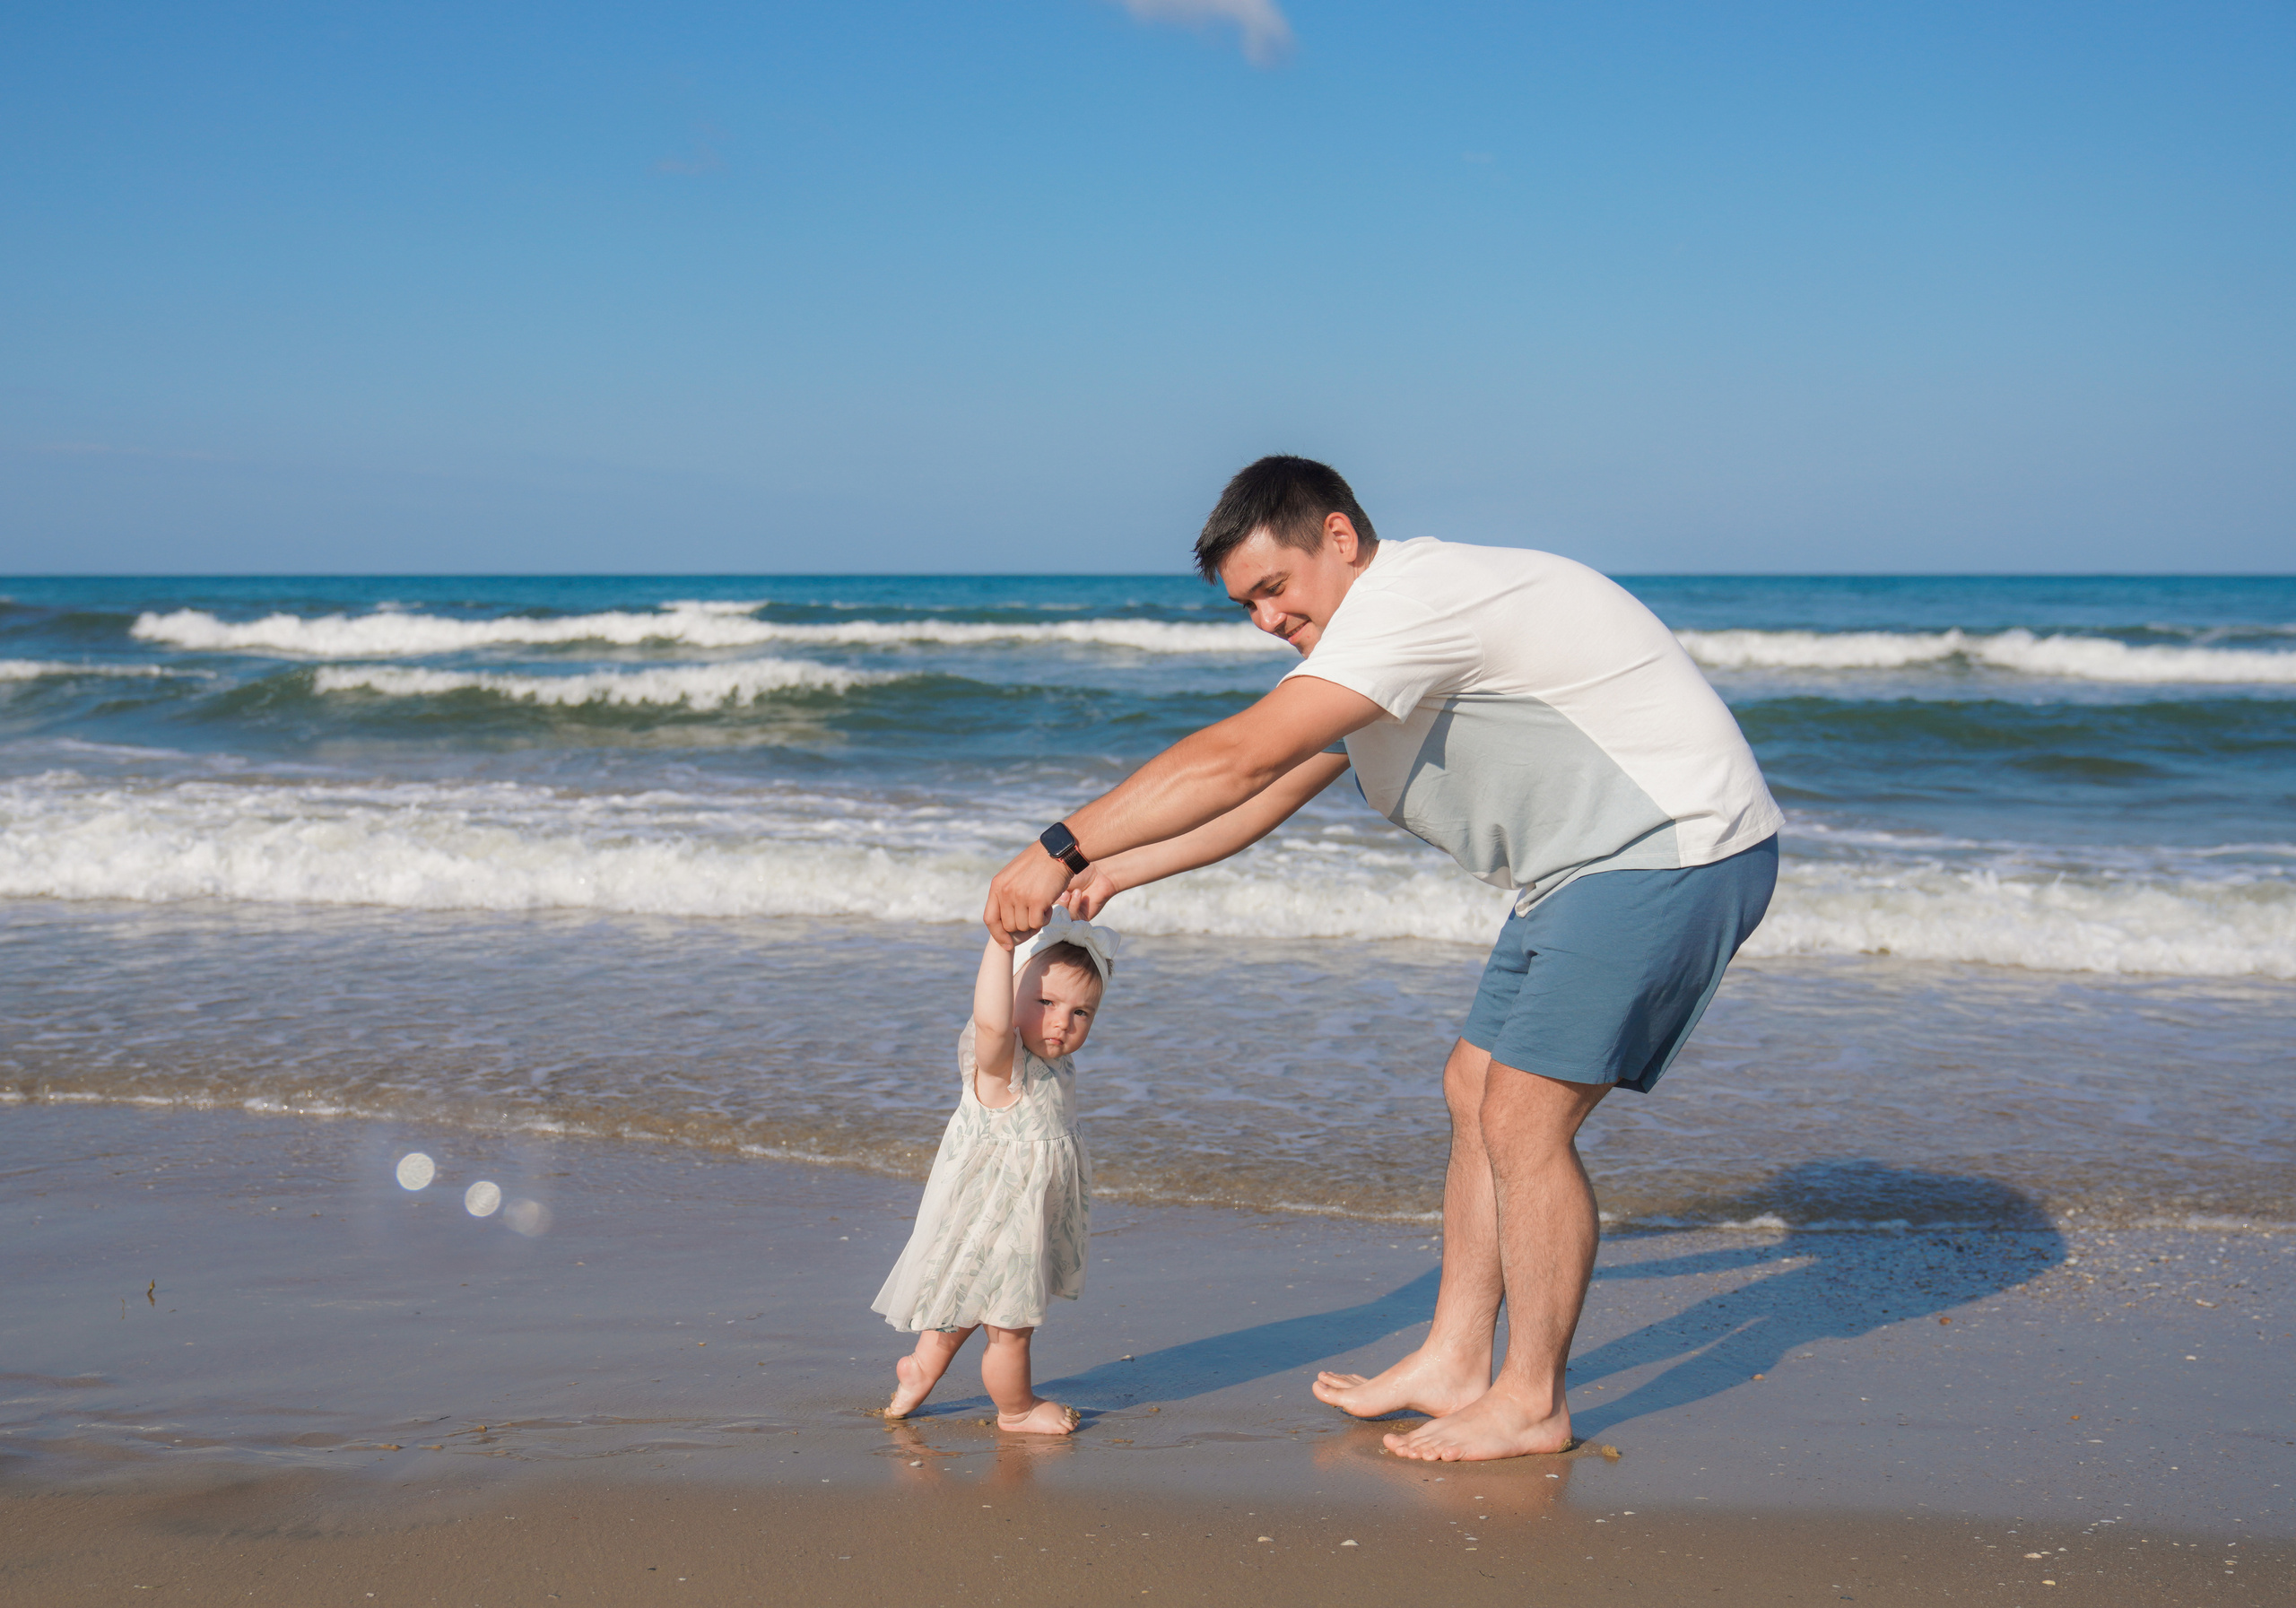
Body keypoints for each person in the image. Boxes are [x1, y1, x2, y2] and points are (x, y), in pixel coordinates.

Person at [986, 455, 1780, 1463]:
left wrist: (1057, 844)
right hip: (1578, 871)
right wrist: (1115, 869)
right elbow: (1262, 798)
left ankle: (1532, 1397)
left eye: (1274, 587)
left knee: (1523, 1115)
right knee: (1474, 1086)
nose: (1266, 618)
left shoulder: (1412, 600)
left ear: (1339, 537)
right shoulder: (1373, 651)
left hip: (1674, 844)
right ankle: (1455, 1356)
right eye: (1246, 605)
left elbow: (1240, 756)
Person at [872, 908, 1118, 1435]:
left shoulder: (1055, 1062)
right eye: (1046, 1002)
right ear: (1012, 999)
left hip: (1008, 1217)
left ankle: (919, 1371)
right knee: (1011, 1325)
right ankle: (1017, 1409)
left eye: (1083, 1013)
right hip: (1001, 1220)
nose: (1062, 1022)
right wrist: (1002, 945)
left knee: (964, 1300)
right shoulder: (1002, 1066)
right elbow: (989, 1019)